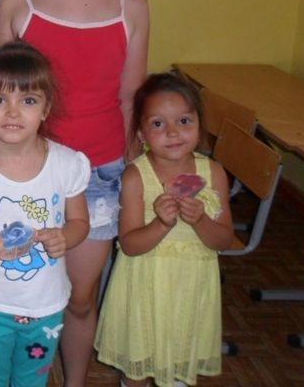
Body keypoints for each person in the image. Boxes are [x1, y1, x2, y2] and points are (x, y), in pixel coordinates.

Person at [0, 0, 150, 385]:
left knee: (79, 298)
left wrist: (133, 175)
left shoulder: (132, 6)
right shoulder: (18, 2)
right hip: (23, 174)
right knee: (22, 293)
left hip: (98, 175)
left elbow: (131, 100)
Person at [0, 41, 91, 387]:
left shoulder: (67, 164)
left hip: (46, 306)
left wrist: (65, 236)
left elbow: (80, 223)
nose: (13, 112)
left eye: (27, 100)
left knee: (32, 381)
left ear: (46, 109)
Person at [95, 73, 233, 387]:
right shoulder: (136, 177)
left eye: (184, 121)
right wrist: (161, 224)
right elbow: (130, 245)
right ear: (142, 133)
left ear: (199, 125)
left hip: (190, 291)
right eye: (158, 124)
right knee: (137, 370)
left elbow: (223, 240)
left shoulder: (213, 173)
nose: (172, 132)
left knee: (179, 366)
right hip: (144, 288)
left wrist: (200, 220)